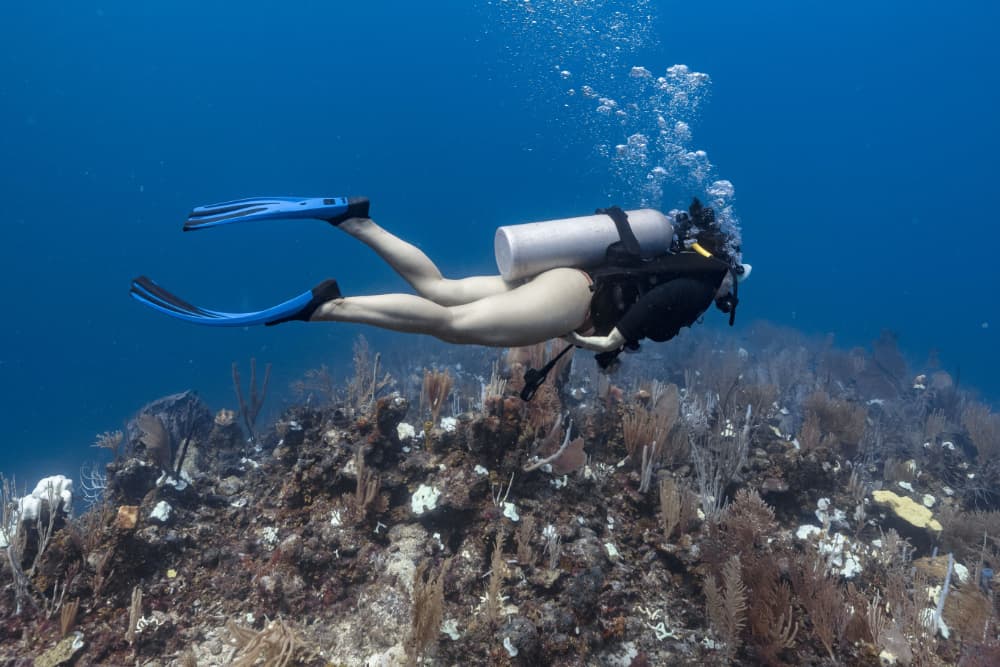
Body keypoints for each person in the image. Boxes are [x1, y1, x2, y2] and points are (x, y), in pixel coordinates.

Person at [131, 195, 749, 385]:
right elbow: (666, 304)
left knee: (441, 288)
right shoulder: (701, 280)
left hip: (564, 280)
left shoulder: (676, 254)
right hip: (574, 300)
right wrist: (621, 332)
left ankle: (351, 217)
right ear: (731, 271)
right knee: (450, 325)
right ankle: (327, 306)